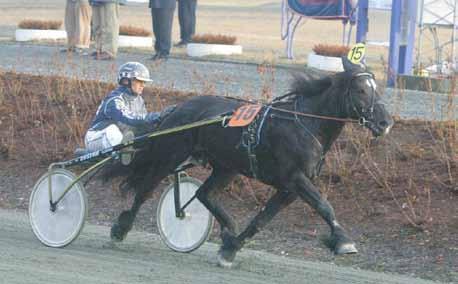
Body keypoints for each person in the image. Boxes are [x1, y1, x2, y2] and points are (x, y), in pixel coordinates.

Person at [84, 62, 161, 163]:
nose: (143, 85)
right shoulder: (114, 100)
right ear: (126, 81)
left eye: (144, 82)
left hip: (121, 138)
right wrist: (156, 116)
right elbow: (129, 118)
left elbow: (142, 124)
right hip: (96, 137)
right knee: (112, 130)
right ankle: (121, 157)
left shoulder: (139, 100)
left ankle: (129, 153)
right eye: (139, 81)